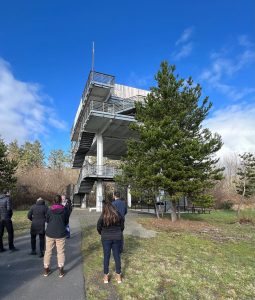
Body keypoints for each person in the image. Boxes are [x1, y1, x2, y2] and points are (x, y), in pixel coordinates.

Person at [97, 201, 124, 284]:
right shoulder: (118, 215)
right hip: (117, 237)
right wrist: (118, 232)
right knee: (117, 256)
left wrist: (103, 233)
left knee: (106, 256)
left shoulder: (103, 216)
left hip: (106, 238)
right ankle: (118, 276)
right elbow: (122, 226)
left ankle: (106, 276)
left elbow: (98, 227)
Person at [43, 195, 69, 278]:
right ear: (61, 201)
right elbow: (66, 221)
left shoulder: (50, 209)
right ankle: (61, 270)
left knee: (48, 251)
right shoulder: (65, 210)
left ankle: (46, 269)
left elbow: (47, 220)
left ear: (53, 201)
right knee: (60, 252)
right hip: (60, 233)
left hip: (50, 233)